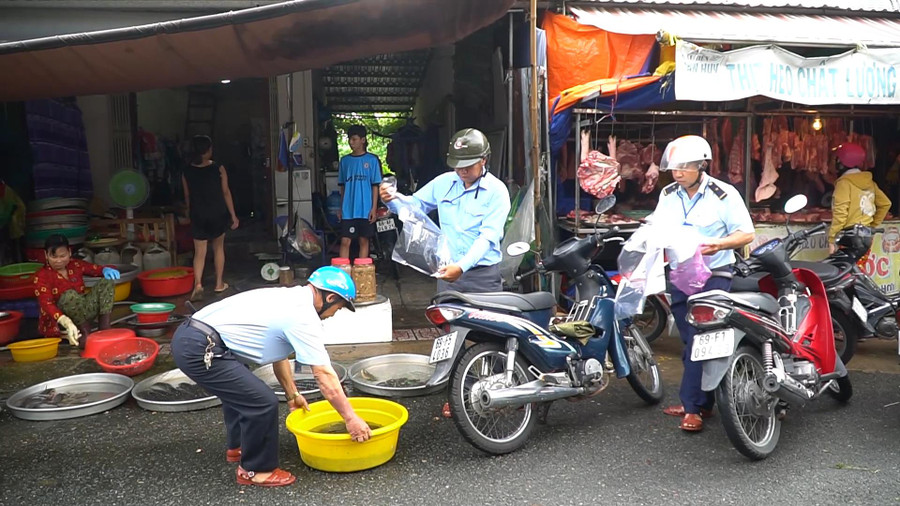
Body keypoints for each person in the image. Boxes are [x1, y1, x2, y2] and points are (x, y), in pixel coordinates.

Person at [171, 266, 372, 487]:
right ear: (330, 297)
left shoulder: (290, 297)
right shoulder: (303, 316)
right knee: (261, 402)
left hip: (195, 338)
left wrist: (292, 393)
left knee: (243, 388)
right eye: (339, 308)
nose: (334, 314)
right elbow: (324, 375)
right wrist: (351, 418)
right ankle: (255, 470)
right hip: (200, 347)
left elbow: (279, 353)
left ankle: (238, 447)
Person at [652, 135, 755, 432]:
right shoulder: (669, 194)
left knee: (702, 338)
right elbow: (659, 228)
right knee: (689, 340)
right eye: (674, 166)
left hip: (715, 275)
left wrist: (719, 244)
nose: (678, 172)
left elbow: (745, 233)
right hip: (681, 277)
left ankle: (693, 407)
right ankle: (704, 402)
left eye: (684, 166)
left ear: (702, 165)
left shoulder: (724, 194)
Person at [379, 128, 511, 293]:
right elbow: (414, 206)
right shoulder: (443, 183)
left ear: (483, 160)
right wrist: (390, 199)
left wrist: (461, 267)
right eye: (457, 165)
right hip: (448, 274)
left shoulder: (497, 191)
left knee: (483, 319)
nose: (462, 170)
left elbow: (487, 238)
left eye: (468, 166)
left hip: (482, 277)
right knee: (446, 319)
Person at [33, 234, 120, 347]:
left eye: (62, 256)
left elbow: (95, 269)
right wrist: (65, 321)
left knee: (107, 282)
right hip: (61, 321)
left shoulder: (76, 264)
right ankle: (85, 332)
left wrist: (106, 269)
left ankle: (105, 327)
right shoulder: (41, 276)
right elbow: (46, 304)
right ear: (46, 255)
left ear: (69, 252)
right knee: (69, 295)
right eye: (54, 257)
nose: (58, 260)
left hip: (83, 309)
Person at [181, 135, 239, 301]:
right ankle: (219, 284)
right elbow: (226, 192)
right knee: (218, 248)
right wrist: (233, 215)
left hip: (198, 213)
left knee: (199, 252)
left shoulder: (186, 171)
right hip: (217, 212)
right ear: (208, 150)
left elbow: (187, 195)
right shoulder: (218, 168)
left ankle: (198, 284)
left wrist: (188, 211)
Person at [828, 142, 891, 255]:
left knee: (843, 269)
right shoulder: (869, 182)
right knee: (857, 269)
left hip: (850, 236)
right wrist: (872, 225)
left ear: (840, 163)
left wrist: (832, 239)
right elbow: (885, 203)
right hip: (866, 236)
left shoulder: (844, 184)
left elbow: (840, 213)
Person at [338, 125, 382, 260]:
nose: (351, 142)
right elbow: (343, 187)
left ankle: (361, 275)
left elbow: (375, 186)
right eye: (349, 139)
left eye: (354, 139)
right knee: (345, 241)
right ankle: (343, 274)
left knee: (364, 241)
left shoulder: (372, 160)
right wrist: (341, 208)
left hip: (365, 209)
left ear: (363, 140)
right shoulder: (344, 161)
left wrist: (374, 208)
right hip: (348, 210)